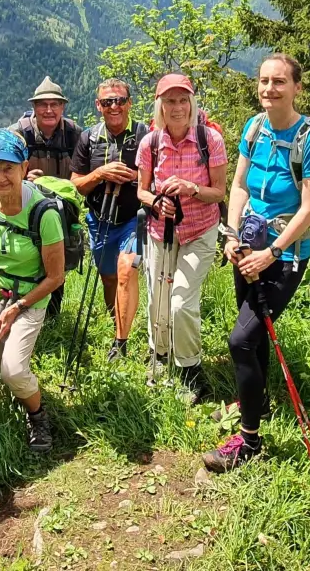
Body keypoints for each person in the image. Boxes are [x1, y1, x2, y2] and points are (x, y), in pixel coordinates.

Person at [203, 53, 310, 473]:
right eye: (263, 80)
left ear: (297, 87)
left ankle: (250, 441)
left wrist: (271, 252)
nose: (269, 89)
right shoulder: (254, 127)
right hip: (247, 247)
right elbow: (239, 185)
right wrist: (232, 233)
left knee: (240, 340)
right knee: (254, 341)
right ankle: (254, 402)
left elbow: (309, 208)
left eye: (279, 81)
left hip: (284, 258)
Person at [0, 129, 67, 453]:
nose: (1, 176)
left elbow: (56, 276)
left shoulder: (44, 213)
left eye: (8, 168)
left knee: (13, 368)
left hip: (31, 299)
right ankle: (20, 397)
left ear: (24, 167)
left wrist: (17, 307)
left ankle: (38, 416)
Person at [136, 73, 226, 402]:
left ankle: (189, 367)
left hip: (199, 230)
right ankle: (158, 354)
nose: (177, 107)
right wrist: (157, 202)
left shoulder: (209, 140)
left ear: (192, 103)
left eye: (183, 100)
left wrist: (191, 189)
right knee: (157, 299)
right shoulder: (151, 142)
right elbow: (142, 191)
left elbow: (218, 192)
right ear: (160, 105)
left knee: (181, 303)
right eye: (170, 101)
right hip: (161, 231)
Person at [69, 78, 147, 361]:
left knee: (127, 269)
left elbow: (158, 177)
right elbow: (75, 184)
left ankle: (120, 342)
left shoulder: (144, 135)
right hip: (99, 219)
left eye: (120, 100)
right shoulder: (88, 138)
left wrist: (135, 177)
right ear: (98, 105)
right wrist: (101, 174)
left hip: (134, 218)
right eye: (107, 102)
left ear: (129, 102)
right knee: (108, 277)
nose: (114, 106)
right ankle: (113, 316)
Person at [9, 76, 82, 317]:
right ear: (34, 107)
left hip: (61, 212)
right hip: (23, 208)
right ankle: (23, 311)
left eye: (54, 104)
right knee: (27, 260)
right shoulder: (19, 133)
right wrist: (23, 177)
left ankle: (52, 317)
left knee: (57, 260)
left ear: (63, 106)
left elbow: (83, 171)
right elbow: (1, 167)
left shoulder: (74, 134)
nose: (49, 110)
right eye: (42, 104)